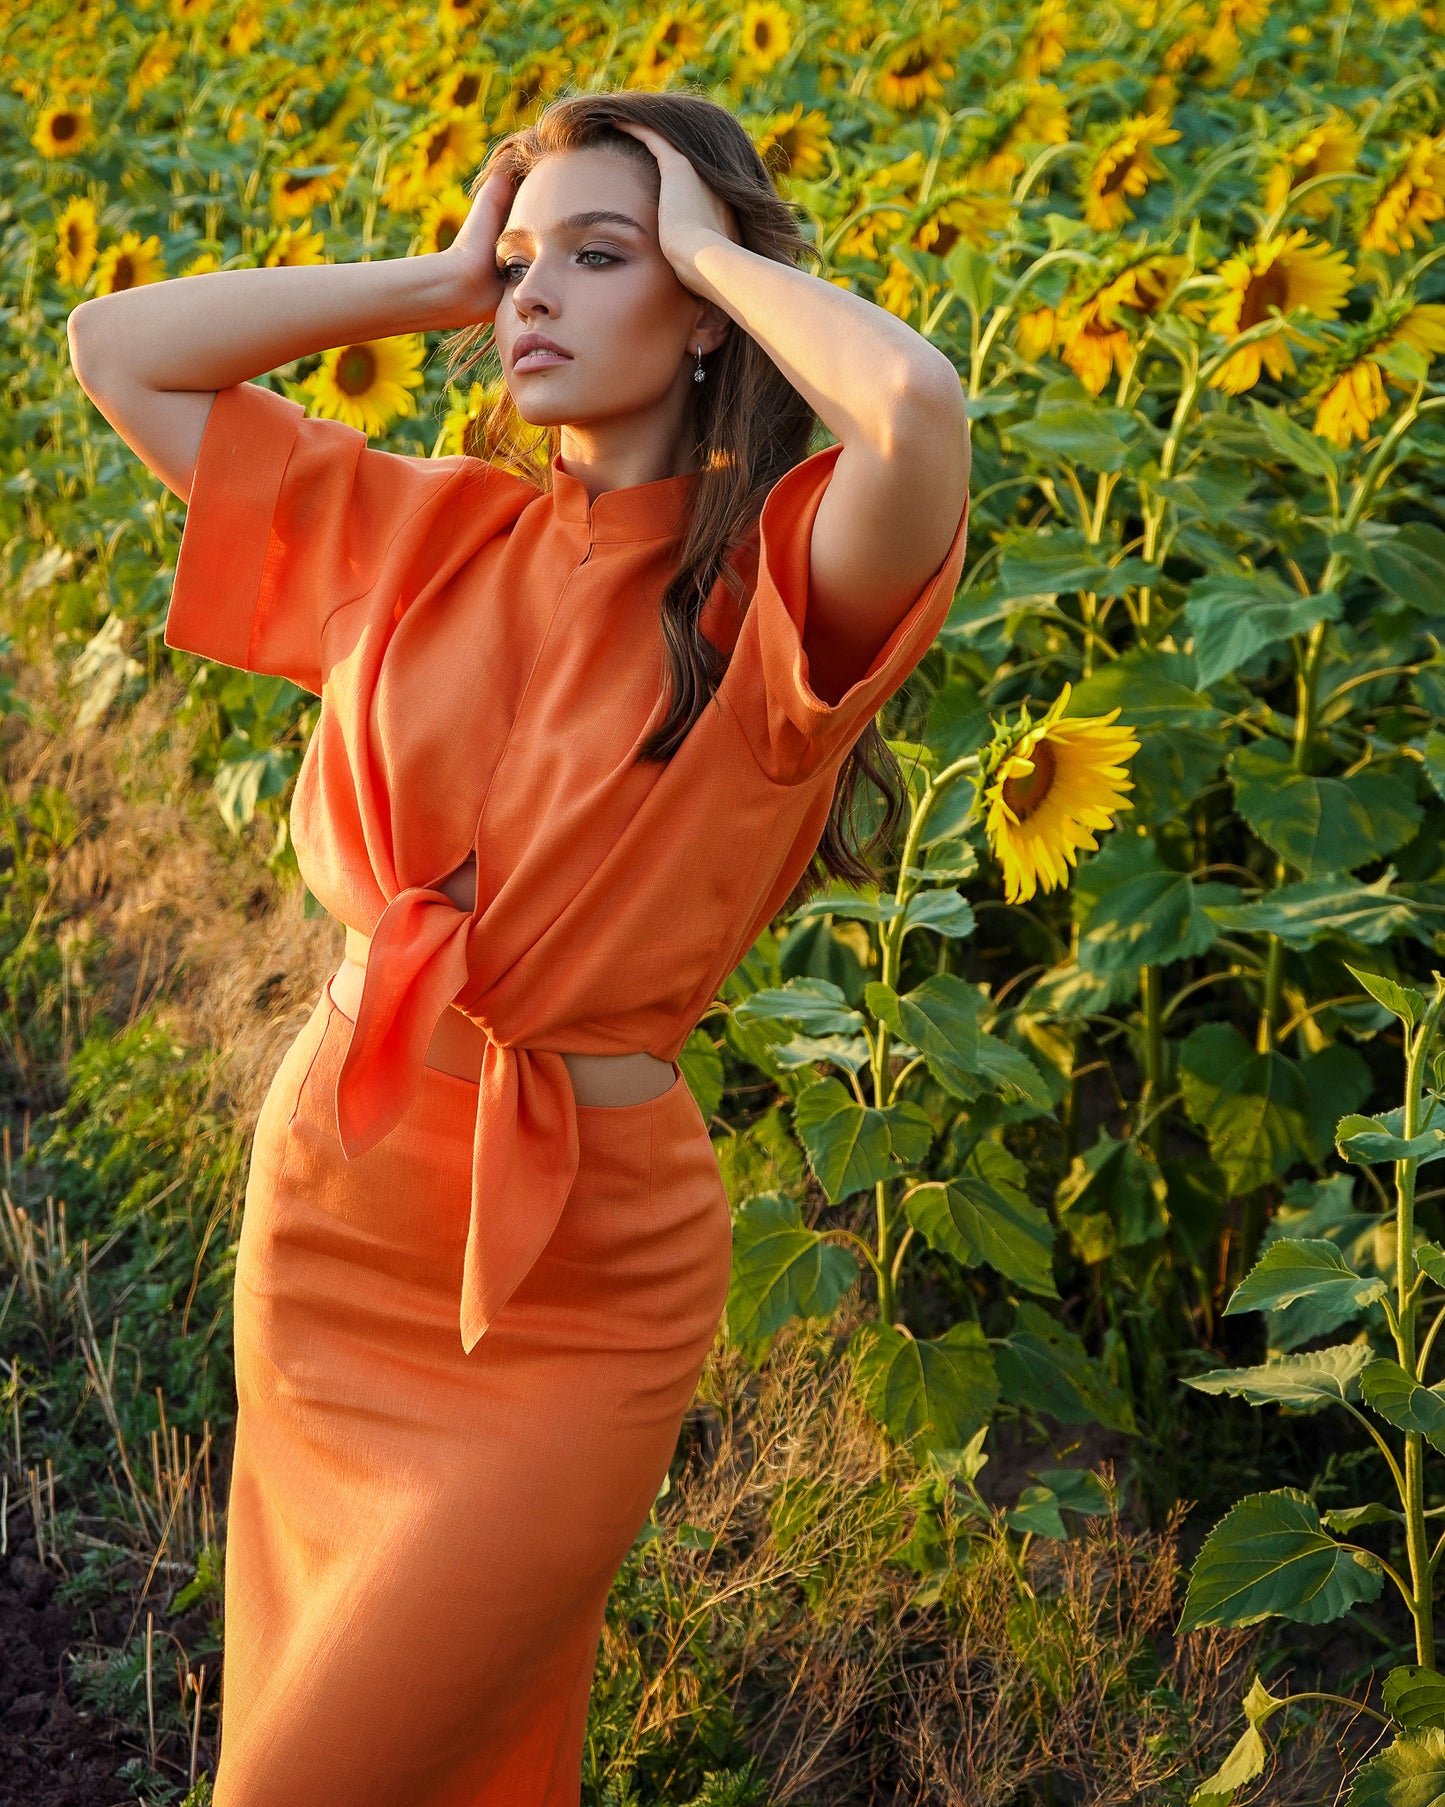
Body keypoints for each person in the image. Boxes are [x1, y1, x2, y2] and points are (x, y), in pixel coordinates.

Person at [66, 88, 970, 1807]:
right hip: (337, 1207)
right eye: (523, 258)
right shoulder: (423, 530)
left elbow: (914, 403)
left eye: (598, 256)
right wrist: (434, 278)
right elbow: (120, 347)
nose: (533, 295)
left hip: (582, 1279)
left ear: (705, 309)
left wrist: (705, 244)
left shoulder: (776, 591)